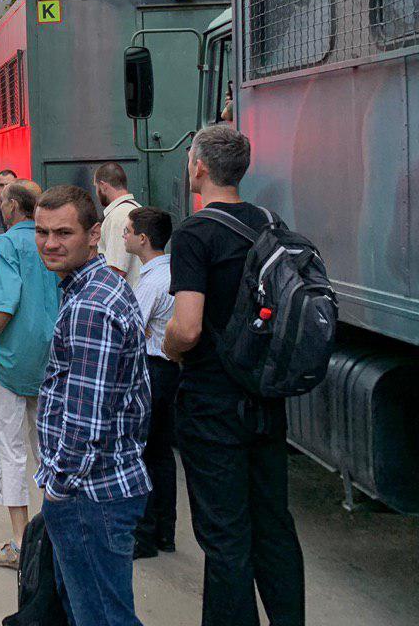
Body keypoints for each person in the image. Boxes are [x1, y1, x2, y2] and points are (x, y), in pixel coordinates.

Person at [164, 124, 305, 626]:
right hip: (265, 398)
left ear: (199, 167)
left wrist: (170, 347)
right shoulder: (270, 222)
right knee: (274, 526)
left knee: (225, 536)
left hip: (213, 404)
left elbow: (187, 327)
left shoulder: (194, 233)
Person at [34, 185, 150, 626]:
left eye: (63, 232)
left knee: (101, 617)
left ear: (94, 234)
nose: (50, 243)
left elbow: (86, 419)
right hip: (101, 490)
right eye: (42, 232)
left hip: (91, 495)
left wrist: (59, 486)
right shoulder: (99, 287)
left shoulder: (91, 306)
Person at [0, 181, 59, 570]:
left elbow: (5, 303)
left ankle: (22, 543)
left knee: (9, 448)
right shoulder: (51, 244)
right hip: (52, 357)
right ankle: (55, 536)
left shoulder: (6, 244)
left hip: (10, 359)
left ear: (11, 207)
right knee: (49, 449)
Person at [123, 206, 179, 559]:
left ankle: (142, 535)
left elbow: (132, 328)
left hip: (151, 368)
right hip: (169, 370)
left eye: (128, 231)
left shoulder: (151, 282)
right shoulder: (171, 272)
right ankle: (164, 532)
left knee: (140, 451)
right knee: (161, 452)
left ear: (143, 239)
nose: (124, 235)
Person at [94, 161, 141, 284]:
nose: (96, 192)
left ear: (103, 186)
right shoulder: (136, 209)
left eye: (96, 187)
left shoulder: (119, 215)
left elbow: (116, 270)